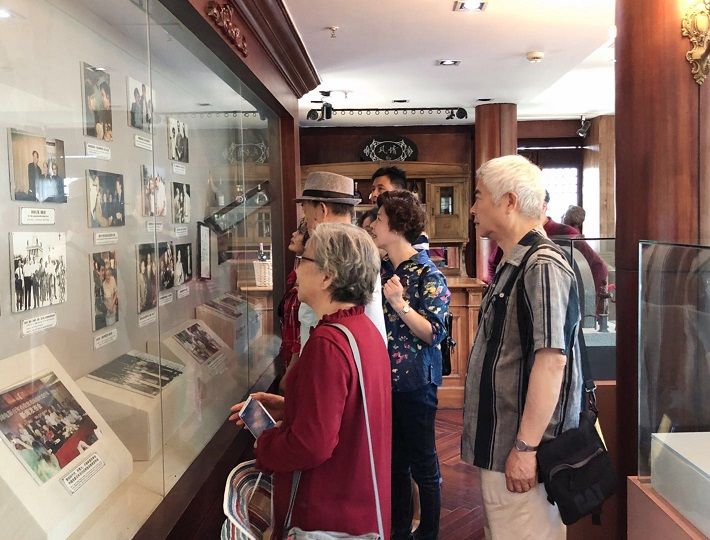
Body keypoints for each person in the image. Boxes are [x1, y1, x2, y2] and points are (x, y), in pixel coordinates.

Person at [229, 224, 392, 539]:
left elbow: (311, 446)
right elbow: (350, 412)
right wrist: (291, 406)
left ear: (328, 276)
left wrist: (266, 444)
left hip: (327, 513)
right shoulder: (362, 329)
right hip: (358, 506)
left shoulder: (328, 344)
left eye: (303, 260)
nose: (296, 270)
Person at [462, 155, 583, 540]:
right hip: (503, 447)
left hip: (523, 451)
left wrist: (526, 449)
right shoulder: (516, 261)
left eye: (479, 196)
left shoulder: (541, 264)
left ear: (509, 202)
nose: (472, 208)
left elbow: (551, 362)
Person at [370, 190, 450, 540]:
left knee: (423, 463)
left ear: (397, 226)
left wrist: (399, 303)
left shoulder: (428, 273)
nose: (373, 225)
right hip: (383, 382)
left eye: (379, 219)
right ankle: (399, 531)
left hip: (417, 382)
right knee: (394, 463)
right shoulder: (383, 269)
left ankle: (429, 533)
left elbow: (434, 332)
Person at [295, 171, 387, 352]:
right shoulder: (361, 246)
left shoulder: (340, 250)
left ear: (322, 210)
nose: (305, 221)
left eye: (306, 212)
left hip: (332, 354)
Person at [487, 191, 608, 312]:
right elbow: (494, 263)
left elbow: (598, 266)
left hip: (560, 305)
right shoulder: (516, 233)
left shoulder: (566, 233)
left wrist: (590, 307)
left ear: (544, 206)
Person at [276, 218, 308, 377]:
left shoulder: (308, 281)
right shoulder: (295, 273)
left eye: (300, 232)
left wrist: (292, 369)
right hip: (290, 354)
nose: (294, 234)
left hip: (299, 361)